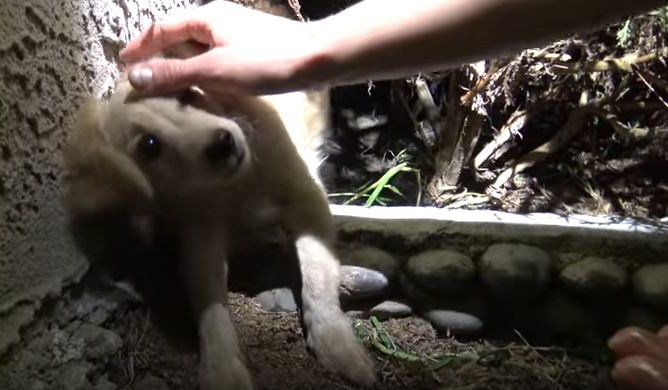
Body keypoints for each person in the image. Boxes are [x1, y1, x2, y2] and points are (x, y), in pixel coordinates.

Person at [119, 1, 668, 389]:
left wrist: (323, 311)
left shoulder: (258, 119)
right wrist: (217, 335)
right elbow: (200, 229)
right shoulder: (183, 175)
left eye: (193, 97)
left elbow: (305, 203)